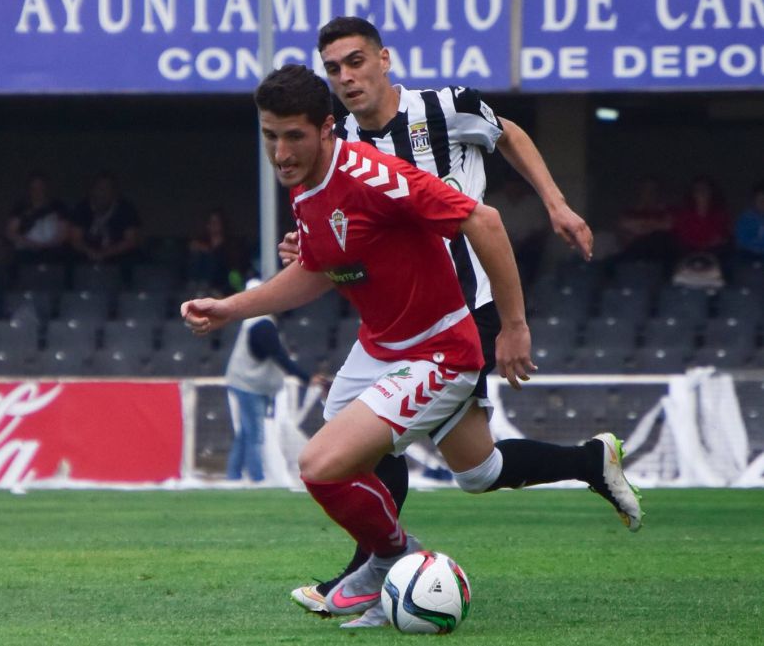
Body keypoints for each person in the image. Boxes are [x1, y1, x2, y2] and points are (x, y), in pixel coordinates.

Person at [182, 65, 642, 628]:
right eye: (270, 136)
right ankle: (588, 461)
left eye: (293, 136)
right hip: (380, 347)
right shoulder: (307, 191)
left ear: (328, 129)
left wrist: (515, 325)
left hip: (439, 350)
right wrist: (232, 308)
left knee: (323, 465)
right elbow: (318, 271)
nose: (280, 152)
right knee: (474, 470)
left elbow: (486, 221)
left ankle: (394, 562)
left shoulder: (376, 174)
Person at [275, 17, 596, 627]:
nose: (346, 77)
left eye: (355, 61)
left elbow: (510, 135)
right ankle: (588, 464)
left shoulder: (447, 107)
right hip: (403, 310)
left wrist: (556, 203)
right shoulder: (335, 137)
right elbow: (337, 213)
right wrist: (308, 243)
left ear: (384, 59)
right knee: (472, 468)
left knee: (399, 448)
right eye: (334, 68)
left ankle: (373, 569)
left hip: (464, 308)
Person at [225, 278, 316, 482]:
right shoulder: (262, 325)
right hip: (249, 384)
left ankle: (233, 476)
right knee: (255, 434)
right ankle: (257, 480)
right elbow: (279, 357)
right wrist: (307, 378)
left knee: (246, 433)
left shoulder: (257, 321)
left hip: (250, 382)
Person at [69, 172, 142, 275]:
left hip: (117, 255)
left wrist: (105, 254)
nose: (103, 193)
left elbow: (131, 240)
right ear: (92, 190)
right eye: (99, 188)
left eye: (107, 189)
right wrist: (90, 252)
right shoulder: (82, 208)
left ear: (115, 192)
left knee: (133, 259)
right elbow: (75, 239)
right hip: (87, 254)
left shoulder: (126, 209)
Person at [6, 171, 70, 265]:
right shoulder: (21, 207)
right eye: (34, 188)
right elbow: (10, 232)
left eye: (41, 187)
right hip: (26, 252)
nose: (37, 191)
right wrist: (31, 244)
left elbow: (64, 232)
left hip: (52, 253)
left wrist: (47, 246)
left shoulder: (58, 206)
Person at [187, 208, 245, 295]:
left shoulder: (231, 246)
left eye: (216, 222)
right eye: (211, 222)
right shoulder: (200, 244)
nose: (213, 225)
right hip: (201, 288)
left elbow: (233, 270)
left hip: (222, 288)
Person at [733, 180, 764, 261]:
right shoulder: (746, 218)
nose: (763, 203)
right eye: (760, 200)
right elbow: (741, 240)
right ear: (754, 201)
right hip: (749, 253)